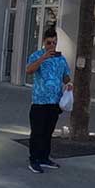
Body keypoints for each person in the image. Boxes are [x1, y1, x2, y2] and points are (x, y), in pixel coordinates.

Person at [24, 28, 72, 174]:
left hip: (54, 102)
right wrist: (42, 58)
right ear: (44, 42)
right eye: (49, 42)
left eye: (54, 43)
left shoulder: (61, 59)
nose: (52, 45)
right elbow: (29, 70)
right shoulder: (36, 56)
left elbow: (66, 76)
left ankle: (44, 158)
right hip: (39, 101)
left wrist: (68, 83)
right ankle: (34, 160)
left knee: (48, 132)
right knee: (37, 132)